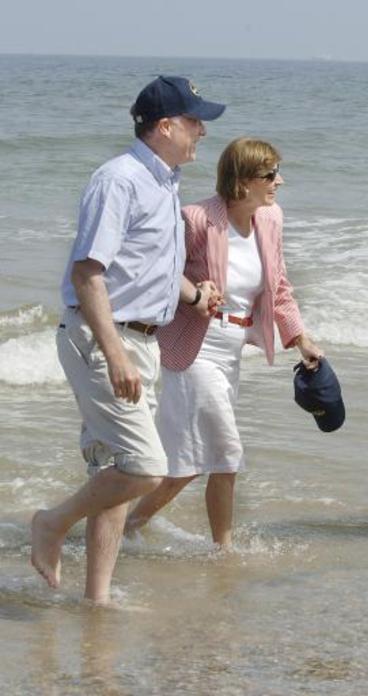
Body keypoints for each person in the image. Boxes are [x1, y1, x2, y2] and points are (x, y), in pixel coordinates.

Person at [31, 75, 225, 603]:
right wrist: (116, 355)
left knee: (114, 471)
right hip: (104, 339)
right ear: (165, 126)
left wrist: (192, 295)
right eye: (193, 120)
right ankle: (51, 523)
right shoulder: (118, 180)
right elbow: (87, 274)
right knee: (144, 468)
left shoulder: (164, 182)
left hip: (141, 340)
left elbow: (147, 268)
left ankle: (95, 599)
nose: (202, 131)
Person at [125, 137, 324, 547]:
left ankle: (127, 526)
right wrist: (195, 294)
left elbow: (280, 286)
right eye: (270, 175)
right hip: (193, 347)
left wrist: (300, 338)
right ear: (243, 180)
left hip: (232, 349)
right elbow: (160, 273)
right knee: (226, 450)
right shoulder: (197, 218)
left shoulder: (270, 219)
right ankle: (225, 551)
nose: (279, 182)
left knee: (190, 465)